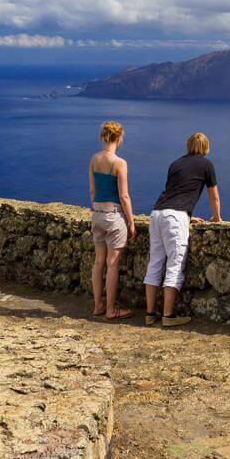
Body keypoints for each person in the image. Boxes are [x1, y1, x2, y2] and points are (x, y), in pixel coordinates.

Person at [144, 131, 222, 327]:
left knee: (155, 263)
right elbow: (214, 196)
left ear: (188, 146)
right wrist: (217, 218)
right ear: (206, 148)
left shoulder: (176, 164)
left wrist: (187, 215)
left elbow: (174, 192)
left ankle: (149, 314)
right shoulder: (206, 164)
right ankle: (168, 316)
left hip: (157, 213)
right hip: (175, 217)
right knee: (175, 265)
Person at [88, 120, 137, 320]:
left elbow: (92, 190)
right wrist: (131, 222)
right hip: (113, 216)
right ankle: (110, 309)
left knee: (98, 262)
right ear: (119, 138)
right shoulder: (119, 163)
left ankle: (97, 305)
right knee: (112, 264)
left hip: (97, 213)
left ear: (103, 137)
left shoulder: (94, 159)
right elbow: (124, 196)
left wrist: (97, 208)